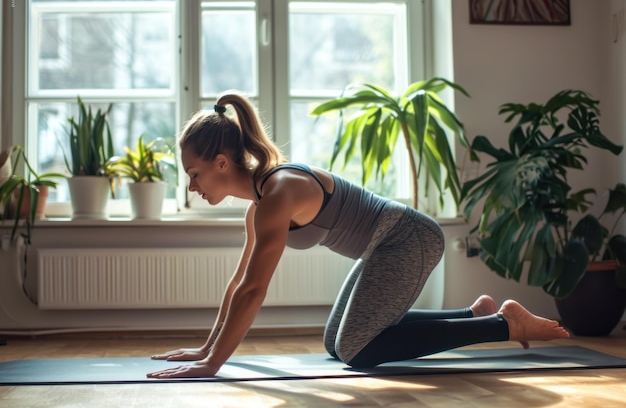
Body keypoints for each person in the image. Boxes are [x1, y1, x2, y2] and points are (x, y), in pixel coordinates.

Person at [147, 90, 569, 379]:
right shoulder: (260, 206)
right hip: (384, 245)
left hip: (408, 238)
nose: (192, 187)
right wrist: (205, 350)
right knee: (337, 343)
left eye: (194, 174)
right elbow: (238, 283)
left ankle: (503, 326)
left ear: (221, 163)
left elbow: (255, 290)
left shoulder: (278, 192)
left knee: (357, 349)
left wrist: (214, 365)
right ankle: (471, 316)